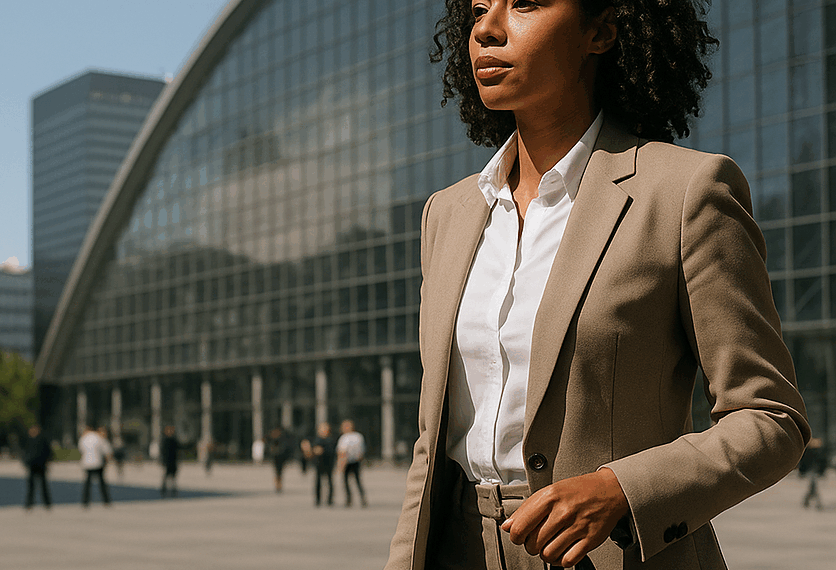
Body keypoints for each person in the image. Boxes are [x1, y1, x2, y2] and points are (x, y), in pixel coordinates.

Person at [385, 2, 811, 569]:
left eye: (526, 3)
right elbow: (430, 440)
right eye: (479, 8)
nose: (486, 29)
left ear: (602, 30)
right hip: (456, 550)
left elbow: (770, 417)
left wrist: (620, 489)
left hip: (615, 553)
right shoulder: (449, 213)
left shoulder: (686, 192)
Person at [78, 425, 112, 507]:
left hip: (87, 463)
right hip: (97, 462)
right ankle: (106, 501)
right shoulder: (99, 437)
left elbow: (81, 450)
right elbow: (106, 451)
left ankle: (85, 502)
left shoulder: (83, 438)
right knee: (101, 483)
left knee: (87, 483)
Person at [336, 419, 367, 508]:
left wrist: (340, 465)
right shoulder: (358, 436)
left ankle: (350, 499)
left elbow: (341, 452)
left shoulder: (344, 438)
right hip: (356, 461)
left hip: (348, 461)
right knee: (356, 481)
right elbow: (362, 450)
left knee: (348, 481)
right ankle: (360, 498)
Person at [23, 424, 53, 510]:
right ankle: (31, 503)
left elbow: (47, 452)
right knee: (33, 486)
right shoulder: (31, 440)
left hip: (39, 464)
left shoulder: (39, 440)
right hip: (35, 464)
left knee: (41, 485)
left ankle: (45, 503)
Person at [311, 422, 337, 507]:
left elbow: (333, 451)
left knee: (329, 481)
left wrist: (323, 451)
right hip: (319, 463)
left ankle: (330, 499)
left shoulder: (331, 440)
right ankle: (318, 499)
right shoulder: (316, 439)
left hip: (328, 463)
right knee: (318, 481)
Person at [799, 437, 828, 510]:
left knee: (813, 486)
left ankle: (807, 501)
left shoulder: (812, 452)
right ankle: (817, 503)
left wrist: (802, 471)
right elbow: (804, 462)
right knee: (813, 486)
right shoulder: (814, 452)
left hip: (813, 471)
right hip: (812, 471)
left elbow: (822, 463)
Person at [267, 427, 294, 493]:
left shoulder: (282, 439)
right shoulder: (272, 439)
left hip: (281, 457)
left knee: (279, 472)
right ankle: (278, 485)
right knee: (277, 472)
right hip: (276, 457)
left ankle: (279, 484)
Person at [160, 425, 180, 497]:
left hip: (173, 461)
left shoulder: (174, 440)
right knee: (166, 476)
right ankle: (164, 489)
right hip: (168, 462)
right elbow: (163, 452)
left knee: (173, 477)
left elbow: (177, 450)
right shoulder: (165, 440)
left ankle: (173, 490)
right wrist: (163, 461)